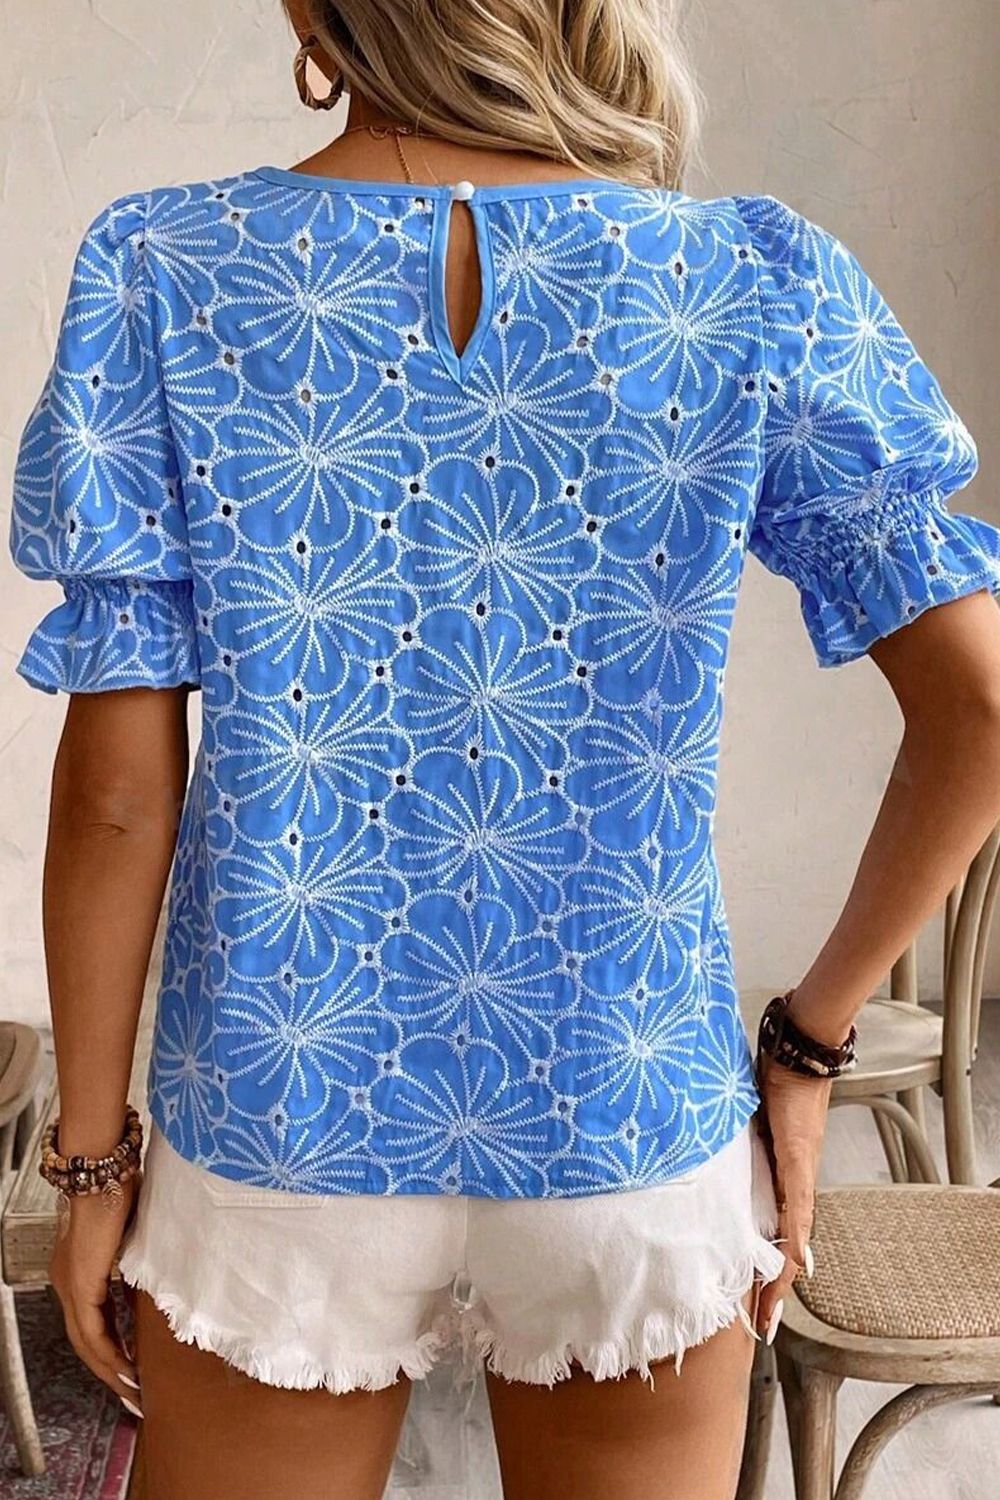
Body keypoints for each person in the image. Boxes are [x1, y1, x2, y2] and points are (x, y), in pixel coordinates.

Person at [10, 2, 1000, 1497]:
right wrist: (807, 1045)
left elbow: (112, 801)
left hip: (281, 1120)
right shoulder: (749, 276)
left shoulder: (166, 267)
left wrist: (91, 1163)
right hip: (627, 1115)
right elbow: (979, 710)